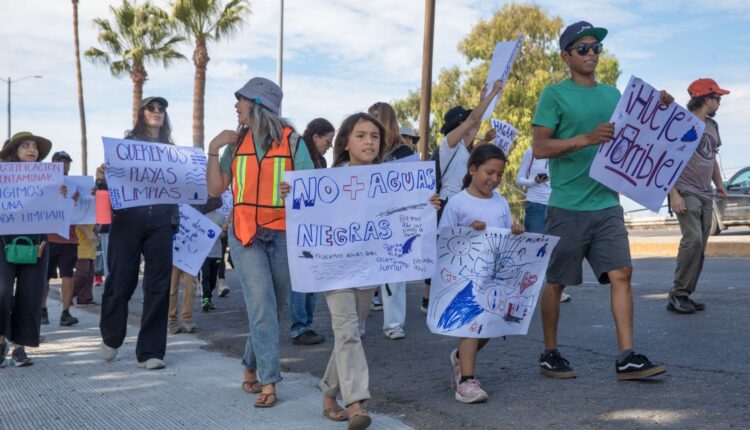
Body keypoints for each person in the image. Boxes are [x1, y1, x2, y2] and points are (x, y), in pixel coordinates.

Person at [532, 21, 668, 381]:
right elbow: (540, 147)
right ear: (566, 56)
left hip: (606, 204)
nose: (591, 53)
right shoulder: (553, 94)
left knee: (622, 273)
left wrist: (662, 106)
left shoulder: (613, 95)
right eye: (583, 48)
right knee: (557, 282)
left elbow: (645, 127)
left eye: (596, 48)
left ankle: (627, 356)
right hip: (567, 206)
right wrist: (587, 138)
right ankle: (550, 352)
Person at [206, 77, 315, 408]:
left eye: (240, 100)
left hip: (282, 234)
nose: (236, 106)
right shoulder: (235, 144)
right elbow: (214, 189)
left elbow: (311, 188)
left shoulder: (293, 142)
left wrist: (294, 189)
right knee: (263, 306)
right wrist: (213, 148)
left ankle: (250, 365)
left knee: (274, 306)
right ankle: (270, 382)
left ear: (257, 105)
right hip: (245, 234)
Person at [96, 96, 179, 370]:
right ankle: (111, 336)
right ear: (141, 114)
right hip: (128, 221)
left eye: (161, 109)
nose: (157, 112)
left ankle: (151, 352)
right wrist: (101, 177)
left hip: (162, 221)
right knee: (120, 282)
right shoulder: (125, 146)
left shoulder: (171, 150)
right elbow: (109, 186)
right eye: (151, 108)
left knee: (158, 286)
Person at [439, 143, 523, 403]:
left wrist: (517, 230)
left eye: (499, 175)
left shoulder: (500, 202)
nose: (494, 179)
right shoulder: (457, 203)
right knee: (472, 327)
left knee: (488, 327)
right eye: (489, 172)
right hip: (466, 278)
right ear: (472, 169)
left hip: (495, 276)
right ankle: (466, 382)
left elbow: (506, 233)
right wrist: (467, 231)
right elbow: (444, 237)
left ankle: (459, 358)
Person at [421, 80, 505, 314]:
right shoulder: (447, 145)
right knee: (447, 254)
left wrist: (483, 100)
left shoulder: (465, 149)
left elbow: (474, 123)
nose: (474, 128)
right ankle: (433, 298)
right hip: (447, 204)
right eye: (467, 124)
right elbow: (473, 120)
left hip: (464, 204)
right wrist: (492, 95)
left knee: (464, 254)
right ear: (459, 125)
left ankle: (454, 295)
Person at [666, 78, 729, 314]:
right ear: (705, 98)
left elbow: (711, 158)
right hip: (685, 190)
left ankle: (684, 294)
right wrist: (673, 193)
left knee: (700, 245)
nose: (720, 102)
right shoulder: (681, 122)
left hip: (705, 193)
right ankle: (677, 293)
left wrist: (719, 184)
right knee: (692, 240)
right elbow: (665, 159)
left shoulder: (713, 127)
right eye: (717, 98)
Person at [0, 131, 57, 367]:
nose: (32, 149)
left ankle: (19, 348)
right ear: (14, 152)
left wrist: (65, 194)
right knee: (2, 293)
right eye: (25, 145)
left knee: (30, 296)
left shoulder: (49, 181)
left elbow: (65, 205)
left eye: (34, 146)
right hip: (3, 243)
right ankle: (1, 340)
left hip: (37, 244)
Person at [367, 102, 413, 339]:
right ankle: (356, 323)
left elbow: (413, 188)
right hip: (366, 220)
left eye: (376, 119)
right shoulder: (365, 151)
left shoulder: (404, 154)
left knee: (395, 273)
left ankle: (394, 323)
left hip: (394, 220)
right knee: (363, 272)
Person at [287, 118, 335, 345]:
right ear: (315, 137)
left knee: (313, 277)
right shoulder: (298, 155)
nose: (329, 145)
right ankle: (300, 326)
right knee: (301, 278)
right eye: (328, 140)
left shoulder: (322, 161)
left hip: (315, 227)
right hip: (299, 226)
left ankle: (306, 324)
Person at [515, 148, 570, 303]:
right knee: (534, 248)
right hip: (536, 204)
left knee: (557, 249)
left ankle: (555, 289)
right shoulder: (532, 152)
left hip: (558, 203)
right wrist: (534, 181)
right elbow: (519, 179)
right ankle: (526, 291)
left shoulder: (562, 150)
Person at [43, 151, 79, 326]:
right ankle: (42, 310)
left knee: (67, 275)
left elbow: (84, 207)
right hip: (48, 237)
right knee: (44, 276)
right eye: (60, 161)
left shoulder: (77, 186)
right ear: (53, 164)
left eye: (66, 162)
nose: (64, 165)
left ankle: (66, 312)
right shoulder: (44, 184)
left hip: (69, 238)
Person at [73, 224, 97, 306]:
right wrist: (87, 232)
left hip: (89, 245)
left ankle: (84, 298)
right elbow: (78, 221)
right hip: (79, 245)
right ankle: (67, 293)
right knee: (83, 272)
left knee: (90, 273)